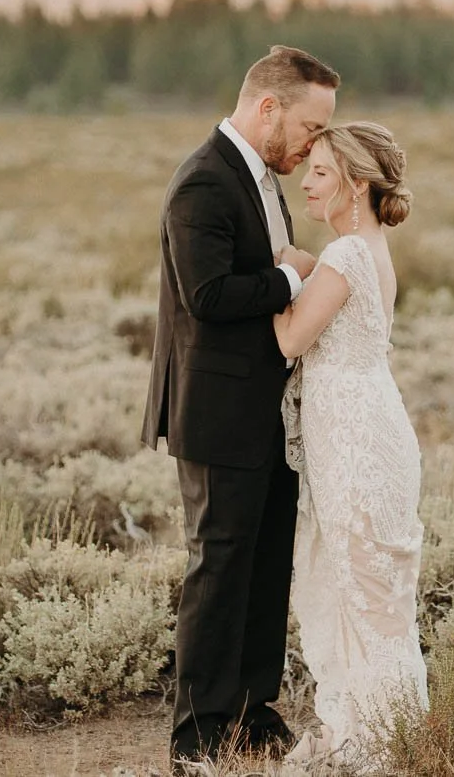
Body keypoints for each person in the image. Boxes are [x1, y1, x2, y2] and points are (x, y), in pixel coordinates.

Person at [141, 45, 339, 764]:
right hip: (217, 413)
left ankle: (253, 713)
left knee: (264, 565)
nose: (314, 145)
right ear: (268, 108)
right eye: (311, 127)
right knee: (219, 568)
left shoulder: (259, 177)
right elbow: (208, 294)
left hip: (266, 411)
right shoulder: (203, 181)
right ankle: (196, 734)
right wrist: (291, 279)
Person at [272, 122, 428, 767]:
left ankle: (386, 745)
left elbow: (290, 339)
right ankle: (377, 729)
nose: (306, 183)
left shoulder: (345, 256)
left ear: (357, 184)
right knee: (370, 592)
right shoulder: (365, 250)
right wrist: (307, 269)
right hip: (368, 428)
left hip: (356, 442)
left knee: (365, 592)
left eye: (320, 173)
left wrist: (283, 271)